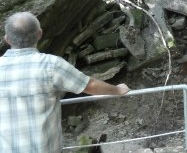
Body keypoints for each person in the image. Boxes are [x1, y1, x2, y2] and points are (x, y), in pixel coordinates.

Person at [0, 11, 130, 153]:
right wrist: (117, 90)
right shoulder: (51, 64)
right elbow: (89, 85)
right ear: (40, 34)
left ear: (7, 39)